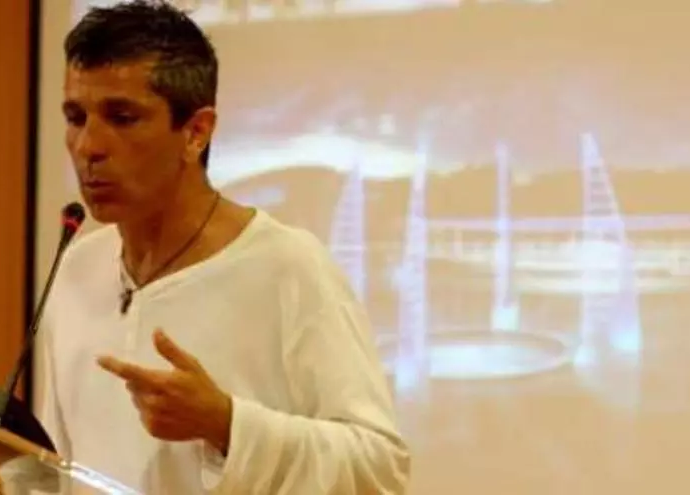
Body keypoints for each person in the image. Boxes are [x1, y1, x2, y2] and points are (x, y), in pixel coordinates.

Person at [35, 1, 410, 493]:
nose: (88, 146)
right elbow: (53, 469)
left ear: (196, 132)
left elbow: (380, 468)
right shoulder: (75, 269)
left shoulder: (288, 266)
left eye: (122, 118)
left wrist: (227, 424)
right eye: (75, 117)